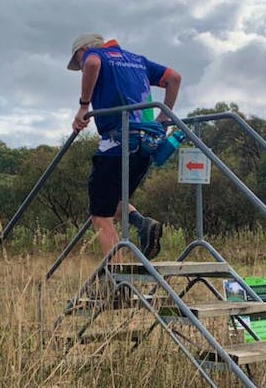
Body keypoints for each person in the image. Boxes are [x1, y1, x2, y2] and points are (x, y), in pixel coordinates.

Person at [67, 33, 181, 262]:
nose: (82, 69)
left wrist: (83, 107)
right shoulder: (137, 60)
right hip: (146, 143)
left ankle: (118, 282)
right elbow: (174, 78)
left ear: (82, 51)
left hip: (117, 143)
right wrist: (164, 116)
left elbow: (92, 63)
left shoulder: (95, 54)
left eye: (77, 63)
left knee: (100, 216)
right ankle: (142, 223)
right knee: (115, 199)